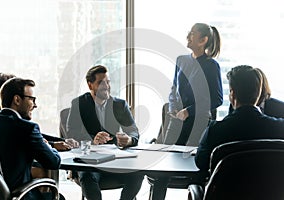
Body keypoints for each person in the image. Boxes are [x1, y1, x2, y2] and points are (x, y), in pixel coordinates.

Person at [151, 23, 223, 200]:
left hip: (197, 124)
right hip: (175, 122)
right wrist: (173, 105)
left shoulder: (211, 66)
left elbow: (216, 99)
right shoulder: (181, 60)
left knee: (195, 170)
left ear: (203, 40)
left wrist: (189, 111)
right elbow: (174, 88)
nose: (188, 35)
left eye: (193, 33)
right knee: (162, 170)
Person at [66, 65, 144, 200]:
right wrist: (92, 140)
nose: (106, 86)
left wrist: (129, 140)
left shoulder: (120, 105)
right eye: (101, 83)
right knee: (87, 176)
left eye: (108, 82)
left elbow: (133, 131)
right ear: (90, 85)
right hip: (91, 163)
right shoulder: (79, 104)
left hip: (115, 161)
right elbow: (70, 134)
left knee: (139, 172)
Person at [195, 65, 284, 175]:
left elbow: (200, 163)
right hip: (269, 191)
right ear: (258, 95)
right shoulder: (280, 128)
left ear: (232, 94)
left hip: (226, 191)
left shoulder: (214, 130)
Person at [0, 77, 61, 200]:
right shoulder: (28, 129)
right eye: (32, 99)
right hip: (19, 196)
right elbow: (54, 162)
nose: (35, 105)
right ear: (17, 100)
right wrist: (49, 146)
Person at [0, 72, 78, 151]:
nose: (34, 105)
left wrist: (62, 141)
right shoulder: (11, 123)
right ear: (16, 99)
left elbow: (35, 136)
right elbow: (27, 139)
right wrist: (52, 145)